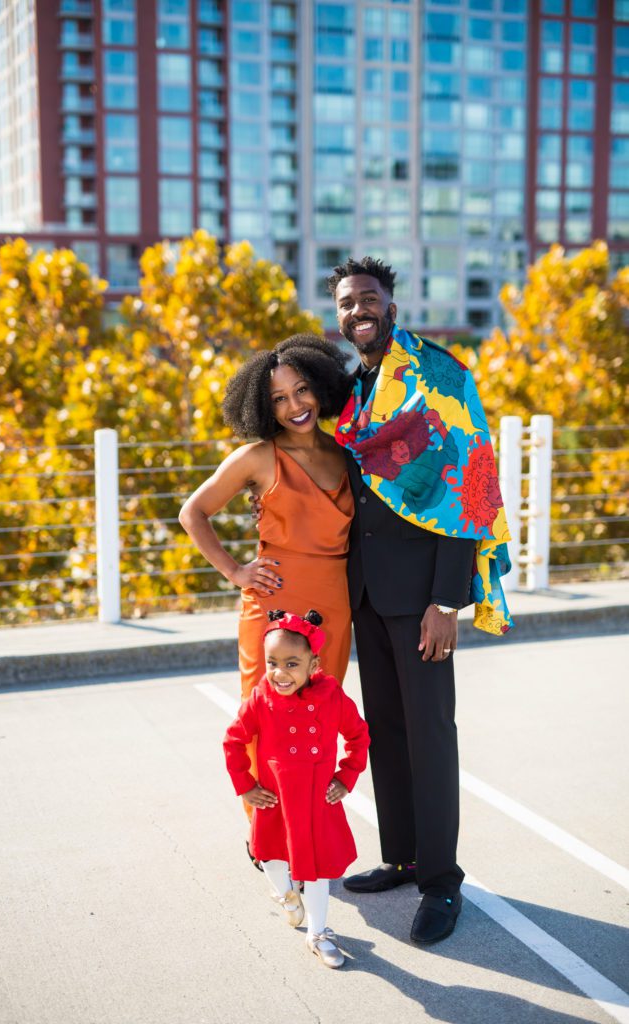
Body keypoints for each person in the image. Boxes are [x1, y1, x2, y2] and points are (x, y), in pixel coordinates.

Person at [328, 257, 512, 945]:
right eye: (347, 302)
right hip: (367, 590)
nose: (358, 310)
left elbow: (470, 485)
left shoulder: (440, 376)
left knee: (430, 736)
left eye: (368, 298)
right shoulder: (352, 388)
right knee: (386, 729)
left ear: (391, 306)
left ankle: (440, 882)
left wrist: (446, 600)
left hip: (421, 594)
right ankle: (402, 858)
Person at [178, 334, 354, 852]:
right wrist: (236, 571)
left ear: (319, 387)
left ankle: (307, 830)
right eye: (278, 398)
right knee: (265, 723)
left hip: (333, 605)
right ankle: (266, 837)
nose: (295, 405)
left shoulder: (346, 453)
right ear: (262, 405)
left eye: (301, 390)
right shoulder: (258, 457)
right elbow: (193, 512)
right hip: (273, 603)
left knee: (318, 721)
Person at [223, 609, 370, 969]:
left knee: (316, 869)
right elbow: (233, 740)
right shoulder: (260, 698)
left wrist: (345, 777)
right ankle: (286, 895)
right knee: (270, 856)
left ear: (313, 664)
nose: (280, 673)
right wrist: (246, 786)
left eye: (292, 664)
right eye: (272, 663)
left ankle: (318, 934)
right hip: (274, 799)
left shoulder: (333, 697)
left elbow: (358, 736)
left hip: (317, 801)